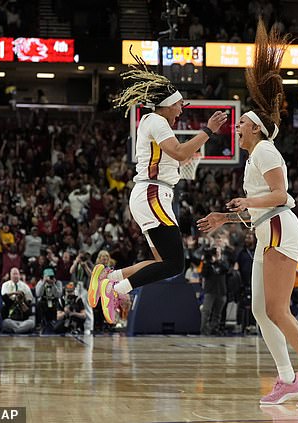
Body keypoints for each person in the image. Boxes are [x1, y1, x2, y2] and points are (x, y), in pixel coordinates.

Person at [197, 18, 298, 408]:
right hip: (266, 229)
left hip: (280, 228)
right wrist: (224, 217)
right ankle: (287, 379)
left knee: (276, 308)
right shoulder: (254, 157)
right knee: (261, 310)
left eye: (242, 123)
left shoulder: (265, 151)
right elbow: (258, 206)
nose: (237, 127)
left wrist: (247, 204)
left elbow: (281, 194)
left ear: (257, 130)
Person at [87, 51, 228, 324]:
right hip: (152, 193)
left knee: (162, 263)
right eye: (179, 106)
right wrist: (207, 131)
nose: (181, 110)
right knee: (175, 263)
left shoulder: (156, 122)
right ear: (167, 104)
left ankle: (109, 276)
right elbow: (178, 153)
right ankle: (116, 289)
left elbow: (178, 154)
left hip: (152, 194)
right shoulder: (156, 120)